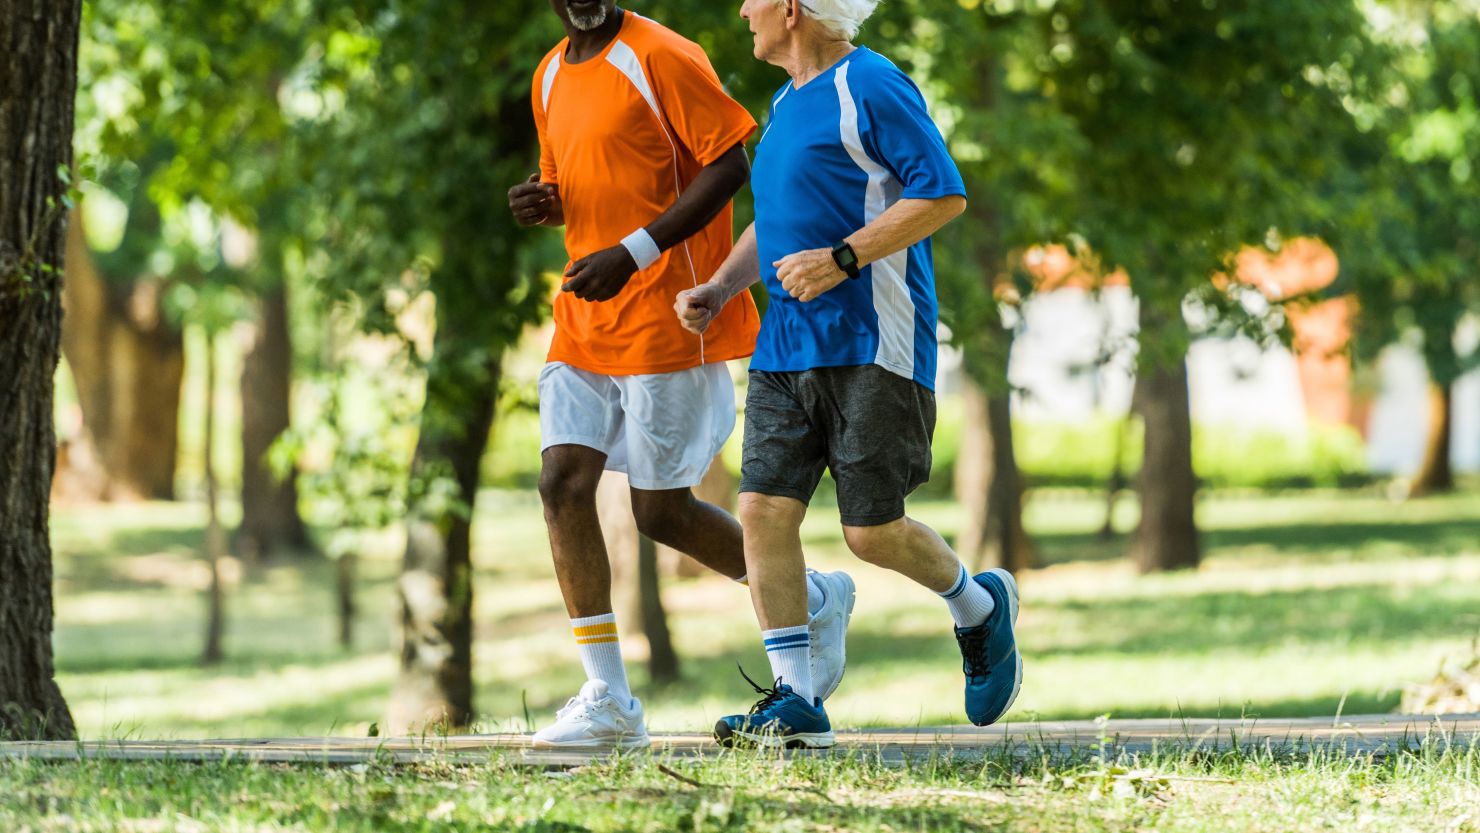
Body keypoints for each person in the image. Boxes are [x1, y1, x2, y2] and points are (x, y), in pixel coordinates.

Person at [508, 0, 856, 751]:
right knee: (561, 482)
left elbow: (731, 164)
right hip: (583, 316)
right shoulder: (546, 77)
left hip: (667, 316)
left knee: (661, 511)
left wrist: (634, 253)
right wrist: (546, 202)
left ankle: (816, 598)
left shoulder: (663, 53)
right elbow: (591, 178)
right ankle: (607, 697)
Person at [675, 0, 1022, 748]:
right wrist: (725, 286)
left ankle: (978, 605)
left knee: (871, 532)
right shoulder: (786, 101)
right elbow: (777, 215)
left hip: (874, 340)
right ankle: (797, 698)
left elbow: (942, 193)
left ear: (792, 10)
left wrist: (843, 260)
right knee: (763, 510)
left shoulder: (873, 83)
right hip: (784, 346)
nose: (743, 9)